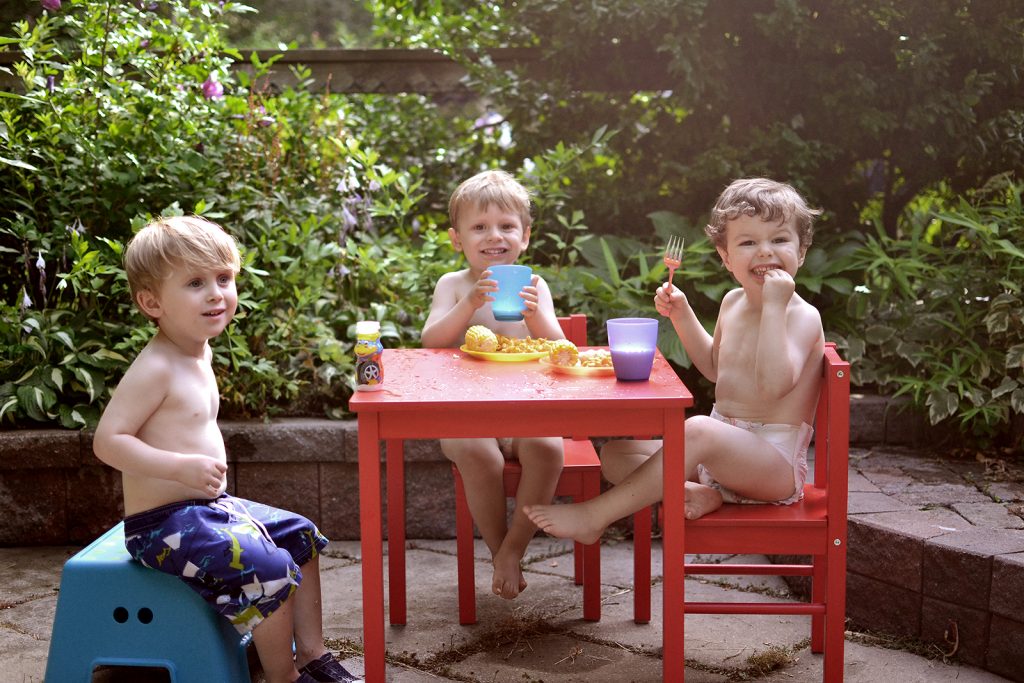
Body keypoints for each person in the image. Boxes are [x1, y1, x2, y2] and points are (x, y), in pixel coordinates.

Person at [92, 216, 361, 683]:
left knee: (301, 536)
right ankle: (282, 678)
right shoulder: (155, 367)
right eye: (196, 283)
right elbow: (107, 441)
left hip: (204, 508)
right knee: (269, 567)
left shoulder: (198, 350)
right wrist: (178, 467)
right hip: (160, 527)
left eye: (224, 278)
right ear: (152, 302)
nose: (217, 293)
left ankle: (311, 655)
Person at [525, 177, 824, 542]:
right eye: (748, 242)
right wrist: (682, 315)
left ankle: (594, 516)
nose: (765, 252)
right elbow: (715, 369)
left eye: (779, 240)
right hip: (719, 460)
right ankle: (698, 493)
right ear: (726, 257)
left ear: (802, 250)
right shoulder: (733, 302)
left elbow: (773, 386)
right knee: (616, 454)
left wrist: (776, 307)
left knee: (697, 429)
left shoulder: (801, 316)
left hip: (771, 467)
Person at [421, 170, 566, 600]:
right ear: (457, 239)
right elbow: (431, 342)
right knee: (476, 453)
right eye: (479, 227)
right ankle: (499, 548)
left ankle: (513, 550)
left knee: (549, 449)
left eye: (506, 226)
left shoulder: (535, 285)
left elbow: (560, 348)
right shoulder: (453, 285)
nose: (493, 236)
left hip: (526, 408)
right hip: (466, 412)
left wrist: (535, 314)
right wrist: (470, 303)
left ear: (524, 236)